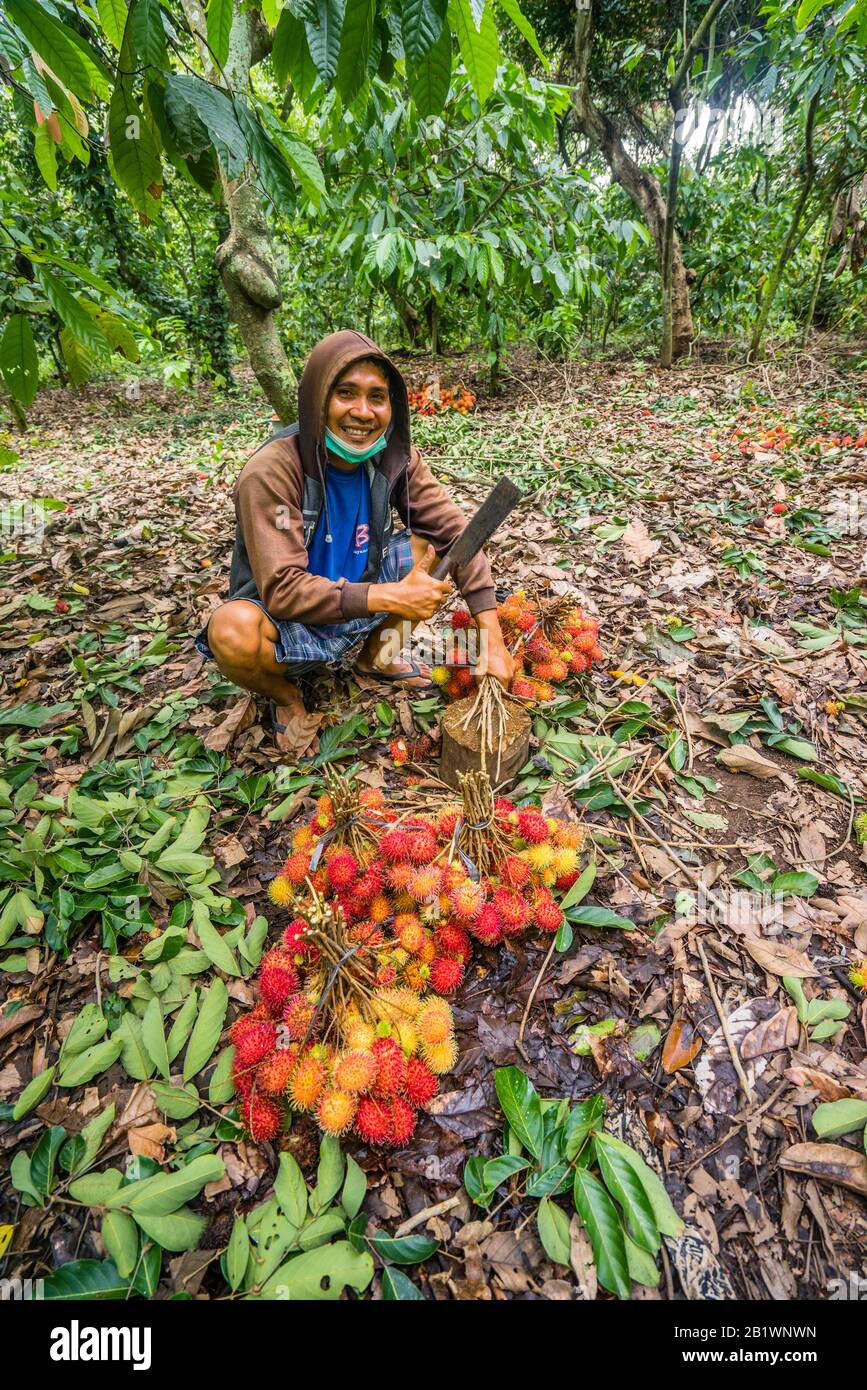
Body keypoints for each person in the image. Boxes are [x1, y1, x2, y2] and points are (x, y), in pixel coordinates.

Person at [196, 330, 514, 750]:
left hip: (361, 587)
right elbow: (283, 589)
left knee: (433, 549)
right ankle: (286, 695)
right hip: (289, 618)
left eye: (377, 397)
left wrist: (489, 633)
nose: (363, 412)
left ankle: (377, 656)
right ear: (317, 400)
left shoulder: (394, 457)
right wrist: (389, 597)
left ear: (392, 406)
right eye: (346, 393)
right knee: (230, 630)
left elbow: (457, 534)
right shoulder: (272, 471)